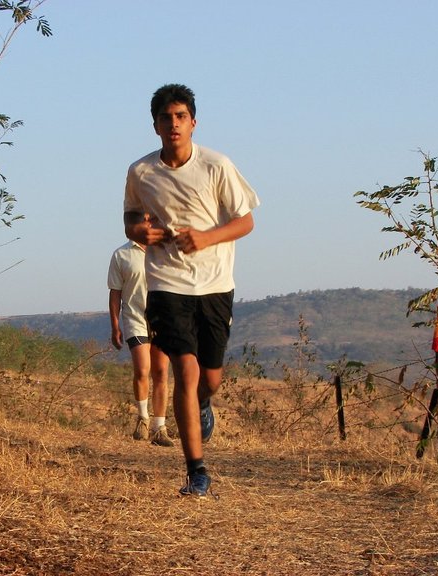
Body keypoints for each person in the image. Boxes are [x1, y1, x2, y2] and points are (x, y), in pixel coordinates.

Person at [123, 83, 260, 497]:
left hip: (215, 283)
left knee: (210, 378)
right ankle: (196, 471)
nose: (174, 124)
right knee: (185, 369)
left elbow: (246, 221)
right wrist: (140, 231)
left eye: (181, 116)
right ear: (155, 126)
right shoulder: (141, 172)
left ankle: (202, 404)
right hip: (166, 282)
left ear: (193, 122)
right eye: (166, 118)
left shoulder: (217, 165)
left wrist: (206, 238)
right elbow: (131, 218)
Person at [108, 239, 174, 447]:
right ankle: (143, 418)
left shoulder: (166, 250)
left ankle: (160, 427)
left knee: (161, 372)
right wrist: (115, 325)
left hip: (163, 319)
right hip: (134, 318)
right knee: (142, 369)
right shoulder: (122, 255)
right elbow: (115, 292)